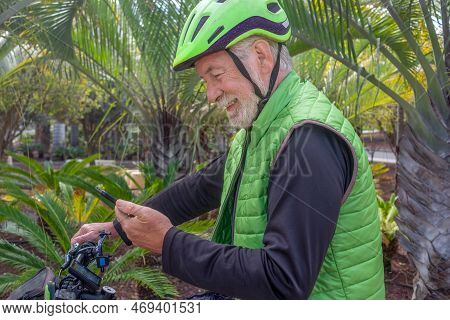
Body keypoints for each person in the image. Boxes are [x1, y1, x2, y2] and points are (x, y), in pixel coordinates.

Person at [71, 0, 385, 299]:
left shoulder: (308, 137)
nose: (210, 94)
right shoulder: (264, 127)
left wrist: (167, 243)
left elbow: (284, 279)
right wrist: (117, 229)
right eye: (205, 81)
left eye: (216, 75)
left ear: (261, 55)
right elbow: (199, 188)